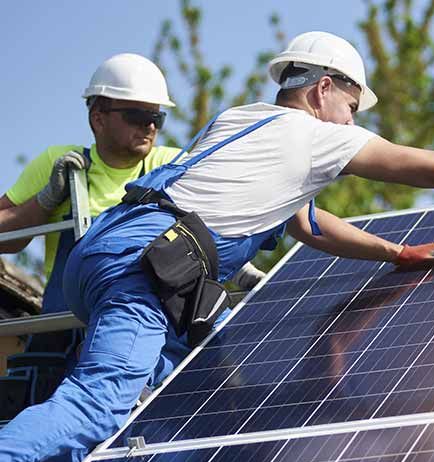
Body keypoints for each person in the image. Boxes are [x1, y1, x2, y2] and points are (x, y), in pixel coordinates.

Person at [0, 31, 434, 462]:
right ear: (323, 90)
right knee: (96, 401)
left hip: (109, 250)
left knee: (183, 404)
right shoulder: (315, 137)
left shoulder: (239, 120)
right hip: (144, 268)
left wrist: (395, 251)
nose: (351, 122)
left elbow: (308, 223)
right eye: (351, 107)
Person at [0, 55, 264, 423]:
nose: (150, 127)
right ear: (99, 117)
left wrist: (243, 267)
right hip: (67, 333)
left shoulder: (173, 164)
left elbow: (214, 232)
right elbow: (5, 237)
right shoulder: (58, 162)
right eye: (138, 117)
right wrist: (45, 201)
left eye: (157, 118)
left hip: (151, 326)